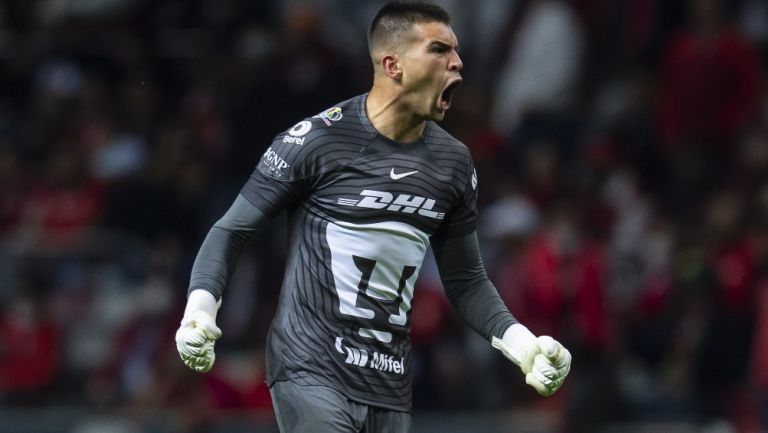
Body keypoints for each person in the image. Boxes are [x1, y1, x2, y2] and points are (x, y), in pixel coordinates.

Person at [175, 2, 571, 432]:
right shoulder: (316, 141)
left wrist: (523, 344)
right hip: (311, 369)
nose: (457, 63)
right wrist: (199, 310)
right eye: (439, 50)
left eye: (455, 51)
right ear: (392, 64)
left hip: (389, 384)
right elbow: (231, 230)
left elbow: (466, 280)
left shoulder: (453, 163)